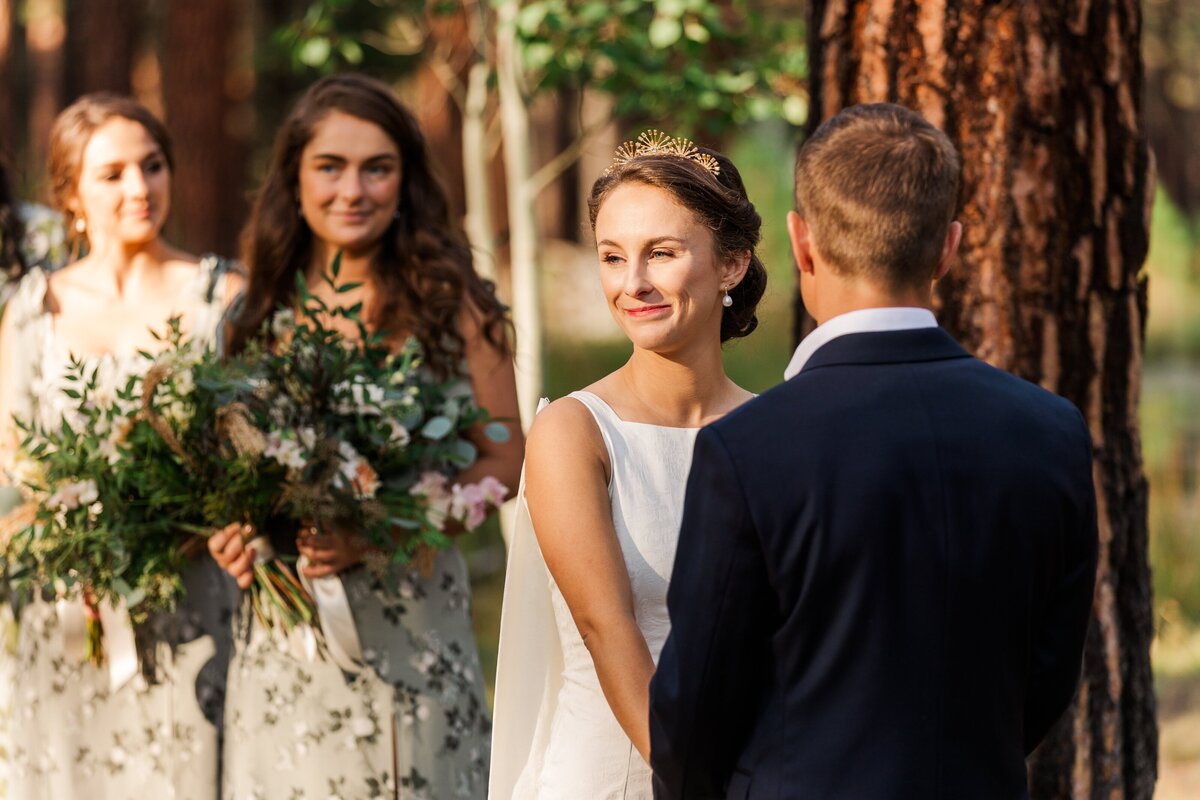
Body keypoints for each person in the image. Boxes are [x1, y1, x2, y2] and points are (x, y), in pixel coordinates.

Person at [649, 103, 1099, 799]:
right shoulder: (1052, 431)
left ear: (801, 245)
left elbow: (696, 707)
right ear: (949, 248)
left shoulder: (747, 449)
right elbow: (1045, 677)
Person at [207, 73, 523, 800]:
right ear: (294, 177)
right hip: (286, 648)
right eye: (331, 166)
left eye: (377, 167)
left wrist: (389, 527)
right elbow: (225, 466)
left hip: (413, 642)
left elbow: (506, 457)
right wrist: (230, 528)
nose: (354, 190)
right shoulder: (249, 313)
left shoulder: (455, 306)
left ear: (405, 180)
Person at [489, 131, 768, 800]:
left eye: (661, 254)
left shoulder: (778, 432)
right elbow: (606, 629)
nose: (632, 283)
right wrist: (699, 782)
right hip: (615, 779)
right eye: (613, 258)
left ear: (730, 265)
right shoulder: (574, 432)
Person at [0, 93, 239, 799]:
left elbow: (252, 454)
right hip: (63, 611)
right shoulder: (26, 309)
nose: (140, 188)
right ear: (70, 193)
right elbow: (13, 459)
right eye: (112, 174)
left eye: (154, 166)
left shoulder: (222, 298)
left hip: (192, 607)